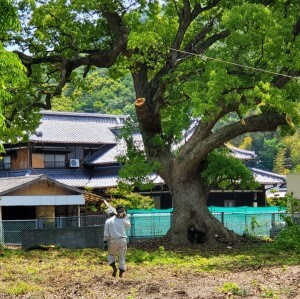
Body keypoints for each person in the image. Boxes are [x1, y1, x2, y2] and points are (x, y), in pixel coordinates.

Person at [103, 205, 131, 277]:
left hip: (113, 241)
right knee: (122, 257)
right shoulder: (123, 219)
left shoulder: (108, 221)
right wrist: (125, 217)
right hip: (122, 240)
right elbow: (128, 226)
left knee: (111, 255)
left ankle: (114, 268)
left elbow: (106, 234)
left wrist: (105, 242)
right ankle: (121, 273)